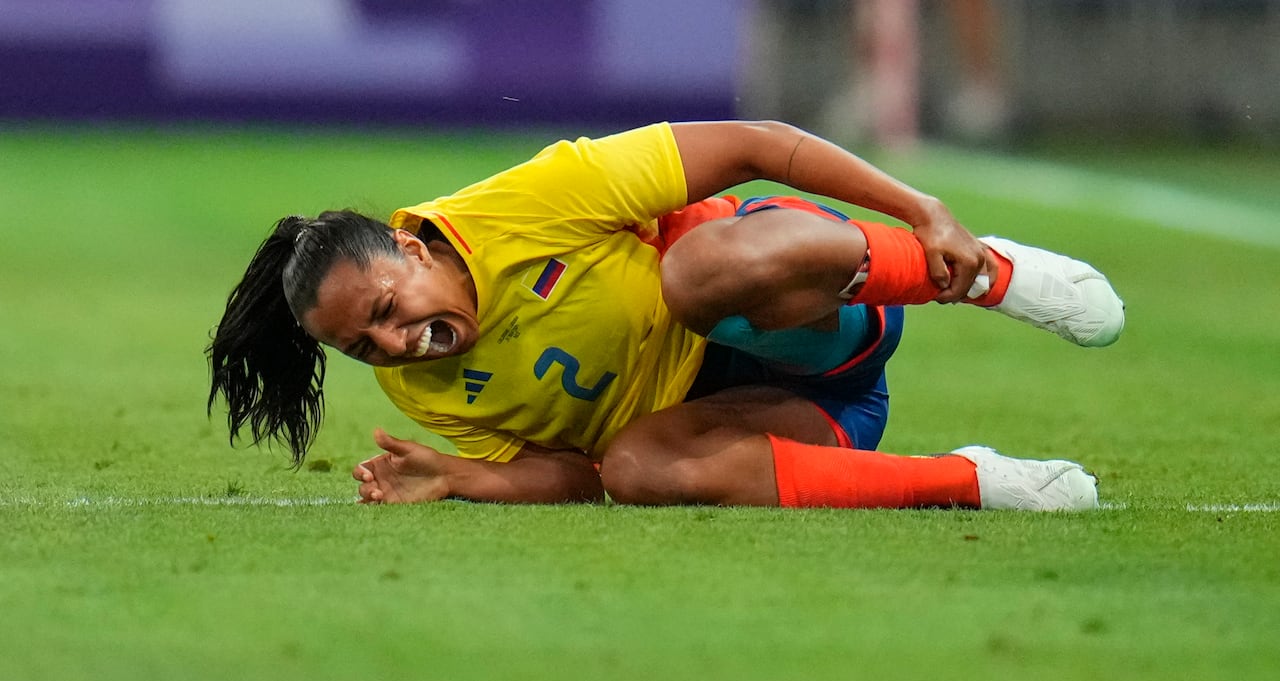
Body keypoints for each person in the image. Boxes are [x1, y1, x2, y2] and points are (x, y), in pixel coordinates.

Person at [207, 120, 1124, 510]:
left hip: (807, 304)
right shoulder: (426, 396)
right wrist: (462, 477)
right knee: (636, 463)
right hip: (795, 418)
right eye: (362, 348)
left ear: (412, 250)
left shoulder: (531, 200)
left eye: (387, 311)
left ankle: (984, 275)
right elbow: (578, 477)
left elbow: (760, 146)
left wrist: (925, 212)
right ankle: (977, 483)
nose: (395, 345)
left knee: (694, 278)